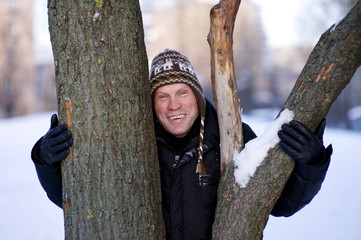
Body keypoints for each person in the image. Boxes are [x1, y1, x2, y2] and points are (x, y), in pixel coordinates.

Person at [31, 49, 332, 240]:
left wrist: (311, 162)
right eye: (162, 96)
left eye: (182, 93)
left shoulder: (231, 137)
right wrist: (46, 161)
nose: (173, 105)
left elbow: (281, 204)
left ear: (197, 98)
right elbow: (82, 202)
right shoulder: (132, 144)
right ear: (152, 104)